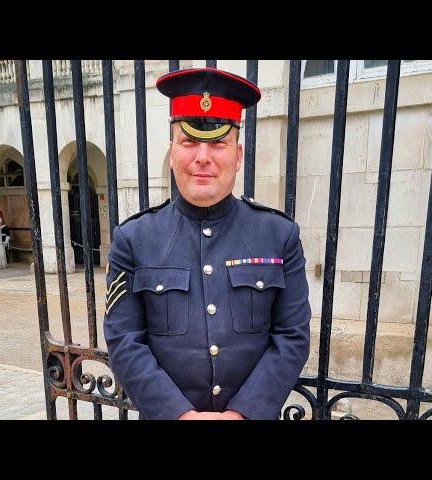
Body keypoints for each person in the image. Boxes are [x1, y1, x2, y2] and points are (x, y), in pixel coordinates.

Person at [103, 67, 311, 420]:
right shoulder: (132, 240)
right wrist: (180, 415)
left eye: (218, 142)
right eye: (189, 142)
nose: (203, 157)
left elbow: (292, 337)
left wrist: (242, 414)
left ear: (238, 155)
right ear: (172, 153)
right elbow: (124, 341)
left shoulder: (279, 236)